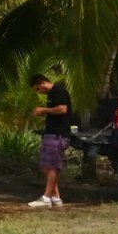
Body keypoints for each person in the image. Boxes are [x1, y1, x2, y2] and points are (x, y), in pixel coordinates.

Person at [28, 74, 72, 208]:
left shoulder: (58, 91)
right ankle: (55, 197)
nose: (39, 92)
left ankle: (46, 198)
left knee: (52, 165)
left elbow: (63, 109)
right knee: (45, 166)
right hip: (50, 133)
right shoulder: (51, 94)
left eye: (38, 89)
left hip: (58, 134)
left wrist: (44, 110)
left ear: (43, 83)